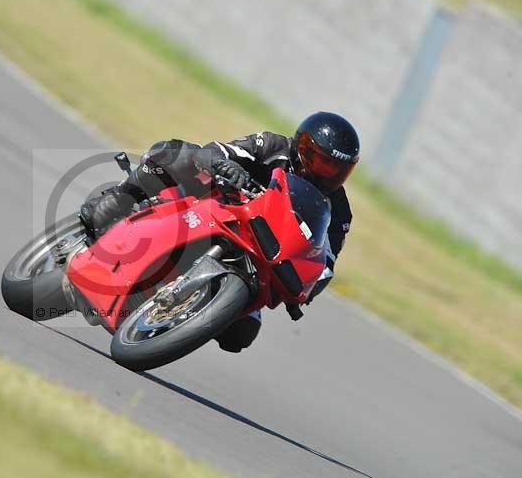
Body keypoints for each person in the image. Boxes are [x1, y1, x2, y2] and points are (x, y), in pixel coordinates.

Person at [80, 112, 359, 352]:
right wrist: (225, 166)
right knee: (177, 153)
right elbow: (217, 151)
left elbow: (325, 260)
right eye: (322, 162)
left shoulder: (339, 210)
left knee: (241, 335)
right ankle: (123, 197)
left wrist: (307, 286)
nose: (327, 173)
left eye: (337, 169)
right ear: (302, 148)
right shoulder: (274, 146)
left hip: (257, 257)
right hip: (215, 207)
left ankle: (181, 316)